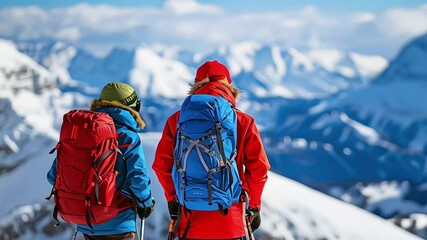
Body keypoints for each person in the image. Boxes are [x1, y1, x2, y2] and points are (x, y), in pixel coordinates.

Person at [153, 60, 270, 239]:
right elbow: (258, 168)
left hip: (190, 220)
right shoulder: (243, 121)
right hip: (230, 220)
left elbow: (162, 165)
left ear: (196, 86)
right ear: (228, 86)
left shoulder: (176, 120)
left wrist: (172, 199)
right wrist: (253, 206)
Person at [47, 82, 155, 240]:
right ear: (132, 108)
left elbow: (53, 176)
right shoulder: (127, 137)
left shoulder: (82, 134)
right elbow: (137, 177)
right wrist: (146, 203)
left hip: (86, 221)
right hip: (118, 222)